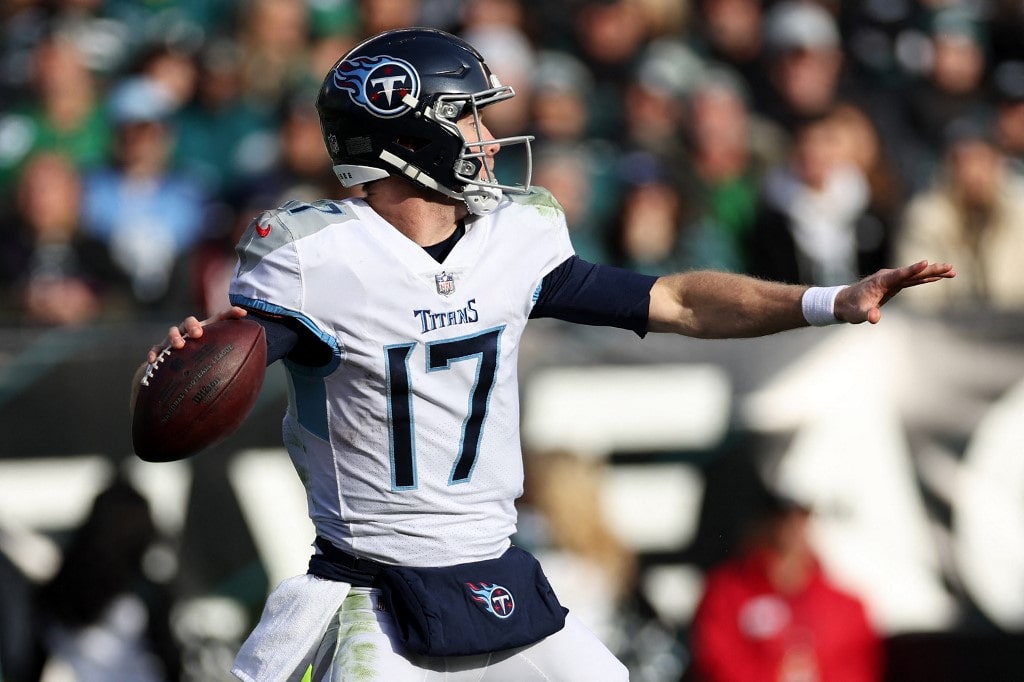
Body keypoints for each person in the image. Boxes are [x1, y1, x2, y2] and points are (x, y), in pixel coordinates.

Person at [134, 28, 954, 682]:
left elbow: (673, 298)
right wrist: (193, 362)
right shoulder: (317, 257)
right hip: (371, 590)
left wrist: (825, 302)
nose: (488, 140)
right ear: (409, 136)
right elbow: (228, 366)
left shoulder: (513, 238)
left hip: (494, 574)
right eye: (468, 118)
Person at [688, 488, 883, 682]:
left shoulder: (845, 606)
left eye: (800, 516)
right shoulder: (726, 595)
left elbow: (857, 668)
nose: (788, 528)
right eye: (778, 516)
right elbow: (717, 662)